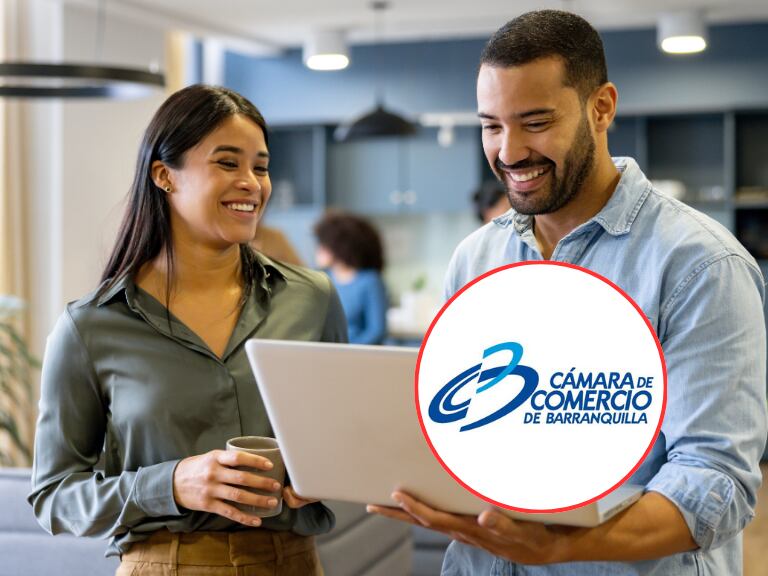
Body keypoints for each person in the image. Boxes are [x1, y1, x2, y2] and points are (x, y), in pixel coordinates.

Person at [369, 10, 767, 575]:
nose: (508, 152)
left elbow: (714, 484)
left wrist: (565, 545)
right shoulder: (476, 257)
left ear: (601, 107)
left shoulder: (700, 264)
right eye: (491, 125)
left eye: (535, 122)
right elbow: (462, 429)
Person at [28, 85, 347, 575]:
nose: (252, 183)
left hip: (292, 563)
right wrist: (171, 483)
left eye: (260, 167)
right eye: (227, 163)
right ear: (164, 176)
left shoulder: (311, 298)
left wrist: (322, 474)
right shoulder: (91, 326)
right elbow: (53, 496)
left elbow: (340, 433)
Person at [314, 211, 388, 345]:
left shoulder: (370, 282)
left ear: (340, 247)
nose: (319, 250)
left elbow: (377, 331)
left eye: (324, 245)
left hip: (358, 357)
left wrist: (348, 352)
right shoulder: (320, 279)